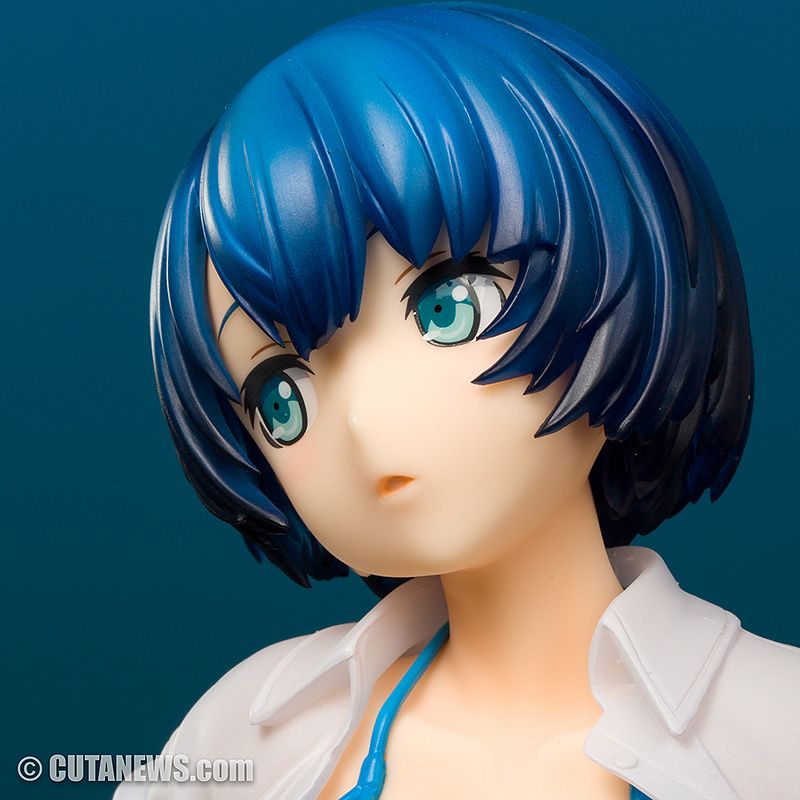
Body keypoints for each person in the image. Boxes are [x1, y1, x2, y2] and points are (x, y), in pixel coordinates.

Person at [118, 4, 800, 799]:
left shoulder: (775, 732)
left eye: (448, 308)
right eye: (282, 395)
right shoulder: (244, 736)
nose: (362, 424)